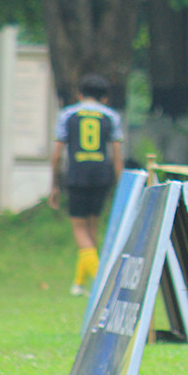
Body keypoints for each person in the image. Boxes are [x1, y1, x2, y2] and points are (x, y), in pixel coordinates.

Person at [50, 73, 124, 296]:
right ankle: (78, 284)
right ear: (104, 98)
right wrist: (121, 184)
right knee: (92, 230)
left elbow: (57, 155)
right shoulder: (111, 116)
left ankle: (101, 280)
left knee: (80, 230)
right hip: (102, 175)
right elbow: (117, 155)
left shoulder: (68, 114)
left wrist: (54, 184)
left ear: (80, 94)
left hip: (78, 175)